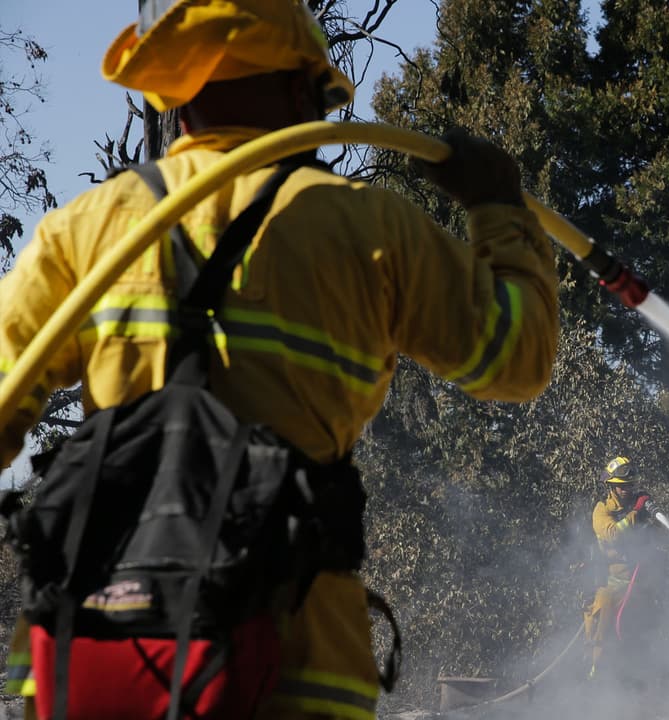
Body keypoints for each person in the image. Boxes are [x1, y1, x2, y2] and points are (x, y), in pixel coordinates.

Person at [0, 0, 558, 717]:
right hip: (298, 671)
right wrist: (498, 209)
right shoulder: (370, 227)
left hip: (87, 660)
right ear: (302, 89)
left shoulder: (85, 229)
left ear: (176, 94)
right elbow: (519, 357)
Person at [583, 455, 661, 687]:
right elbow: (615, 534)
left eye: (631, 486)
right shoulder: (601, 510)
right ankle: (596, 679)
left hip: (640, 583)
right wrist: (636, 513)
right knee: (602, 632)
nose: (628, 490)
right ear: (612, 487)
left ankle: (644, 681)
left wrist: (649, 515)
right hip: (612, 585)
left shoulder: (638, 507)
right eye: (623, 486)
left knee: (645, 633)